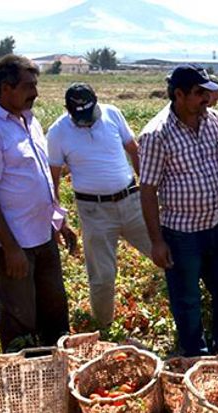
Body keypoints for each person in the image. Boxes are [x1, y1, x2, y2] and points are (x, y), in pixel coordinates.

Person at [138, 64, 218, 356]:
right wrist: (157, 241)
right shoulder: (156, 134)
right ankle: (195, 356)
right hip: (182, 233)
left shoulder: (216, 122)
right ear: (179, 95)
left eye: (207, 93)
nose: (206, 99)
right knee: (187, 300)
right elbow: (147, 190)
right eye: (199, 93)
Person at [0, 55, 74, 351]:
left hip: (42, 235)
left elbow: (42, 178)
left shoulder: (29, 120)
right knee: (20, 325)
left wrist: (59, 220)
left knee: (55, 314)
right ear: (6, 88)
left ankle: (56, 380)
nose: (35, 92)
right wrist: (10, 248)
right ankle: (25, 388)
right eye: (28, 86)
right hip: (12, 245)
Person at [47, 82, 152, 327]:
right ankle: (103, 329)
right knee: (102, 278)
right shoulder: (57, 132)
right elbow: (52, 179)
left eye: (90, 113)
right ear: (68, 110)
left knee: (166, 255)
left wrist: (148, 191)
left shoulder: (112, 113)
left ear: (97, 101)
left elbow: (134, 151)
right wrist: (58, 218)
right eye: (80, 116)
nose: (87, 121)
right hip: (94, 212)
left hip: (131, 201)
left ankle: (187, 311)